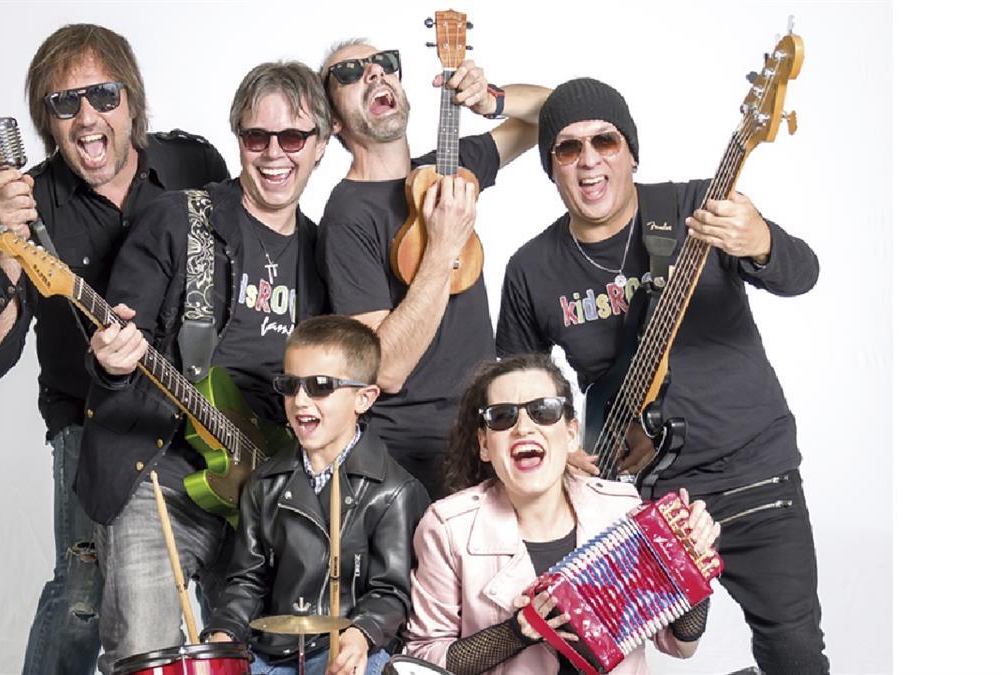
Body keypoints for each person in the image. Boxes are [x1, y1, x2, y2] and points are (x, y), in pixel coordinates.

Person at [495, 77, 827, 673]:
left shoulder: (696, 209)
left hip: (752, 476)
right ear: (551, 168)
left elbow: (802, 274)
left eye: (606, 141)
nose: (589, 160)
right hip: (631, 498)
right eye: (568, 148)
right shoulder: (530, 268)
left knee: (794, 652)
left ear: (632, 152)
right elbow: (516, 381)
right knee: (586, 654)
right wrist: (560, 449)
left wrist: (760, 242)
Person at [0, 23, 228, 675]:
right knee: (84, 597)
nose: (87, 117)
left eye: (104, 95)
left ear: (132, 100)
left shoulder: (194, 167)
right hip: (90, 423)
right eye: (64, 102)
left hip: (204, 415)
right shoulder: (34, 204)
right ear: (45, 121)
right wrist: (8, 242)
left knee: (232, 585)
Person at [79, 61, 331, 673]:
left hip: (262, 499)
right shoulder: (180, 219)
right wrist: (111, 361)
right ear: (237, 139)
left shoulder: (323, 253)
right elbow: (121, 338)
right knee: (146, 657)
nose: (274, 154)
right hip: (161, 481)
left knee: (269, 660)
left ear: (321, 145)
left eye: (292, 137)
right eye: (257, 137)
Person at [316, 39, 550, 499]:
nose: (374, 73)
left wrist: (493, 100)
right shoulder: (346, 216)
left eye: (384, 63)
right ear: (334, 121)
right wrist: (443, 246)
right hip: (408, 461)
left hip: (486, 435)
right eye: (350, 73)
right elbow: (386, 370)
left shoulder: (448, 172)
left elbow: (561, 110)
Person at [405, 353, 718, 674]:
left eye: (544, 411)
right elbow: (423, 659)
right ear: (484, 444)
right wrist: (516, 632)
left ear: (570, 434)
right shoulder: (448, 528)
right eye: (501, 417)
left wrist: (691, 563)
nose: (523, 428)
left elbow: (680, 643)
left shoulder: (621, 509)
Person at [205, 315, 430, 675]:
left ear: (364, 397)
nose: (300, 400)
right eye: (290, 385)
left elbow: (392, 592)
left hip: (349, 647)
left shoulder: (394, 491)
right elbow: (247, 581)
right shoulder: (264, 483)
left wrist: (361, 634)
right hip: (273, 650)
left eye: (320, 386)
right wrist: (224, 634)